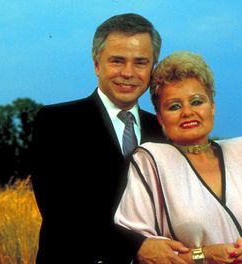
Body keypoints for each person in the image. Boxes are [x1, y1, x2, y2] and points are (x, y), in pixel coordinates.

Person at [114, 51, 242, 264]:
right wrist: (205, 256)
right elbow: (145, 251)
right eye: (174, 106)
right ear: (161, 118)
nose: (187, 112)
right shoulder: (151, 161)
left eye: (197, 101)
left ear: (212, 107)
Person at [31, 13, 187, 263]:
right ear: (96, 64)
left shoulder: (164, 131)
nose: (128, 73)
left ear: (152, 68)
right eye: (117, 61)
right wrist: (137, 247)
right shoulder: (56, 122)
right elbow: (61, 213)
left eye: (140, 62)